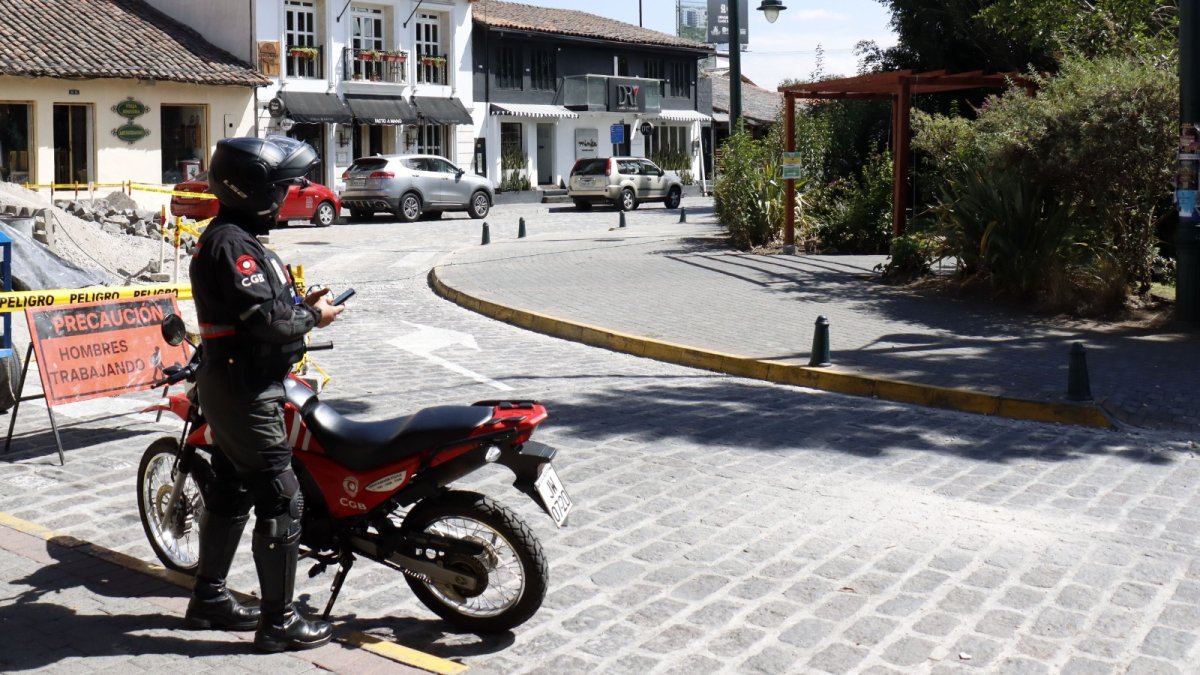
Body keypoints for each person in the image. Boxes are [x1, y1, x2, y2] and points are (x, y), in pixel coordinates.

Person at [185, 135, 344, 653]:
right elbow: (267, 322)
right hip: (243, 387)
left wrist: (303, 301)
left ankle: (209, 599)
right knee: (281, 497)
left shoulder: (239, 238)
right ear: (251, 190)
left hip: (241, 382)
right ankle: (277, 624)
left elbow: (264, 308)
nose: (284, 197)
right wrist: (313, 317)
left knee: (231, 488)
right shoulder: (232, 243)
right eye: (277, 188)